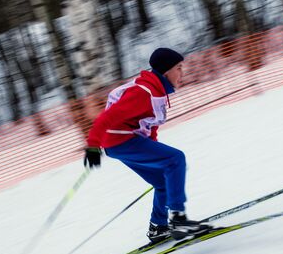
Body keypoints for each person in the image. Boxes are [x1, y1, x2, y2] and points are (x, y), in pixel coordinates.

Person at [83, 48, 207, 243]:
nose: (182, 72)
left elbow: (150, 127)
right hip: (120, 140)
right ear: (166, 71)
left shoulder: (157, 91)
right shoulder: (142, 92)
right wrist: (92, 146)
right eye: (179, 68)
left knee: (163, 181)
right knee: (176, 158)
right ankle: (178, 219)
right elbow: (105, 118)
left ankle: (158, 227)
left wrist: (157, 157)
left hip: (122, 141)